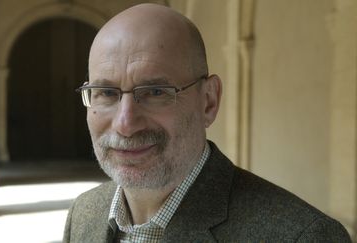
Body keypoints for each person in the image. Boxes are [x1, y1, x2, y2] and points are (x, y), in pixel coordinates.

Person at [63, 3, 351, 242]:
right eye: (106, 93)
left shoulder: (303, 236)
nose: (126, 124)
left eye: (155, 92)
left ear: (209, 102)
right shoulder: (84, 213)